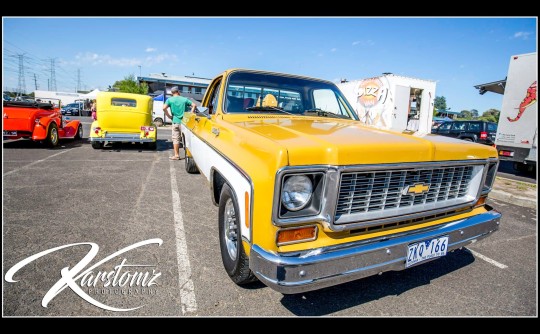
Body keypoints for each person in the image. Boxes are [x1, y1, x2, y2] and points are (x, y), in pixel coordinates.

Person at [163, 86, 196, 160]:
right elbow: (194, 105)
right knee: (187, 139)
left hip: (175, 122)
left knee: (176, 139)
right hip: (185, 122)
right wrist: (191, 114)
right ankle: (190, 155)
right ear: (178, 92)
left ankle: (176, 155)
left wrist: (169, 116)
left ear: (172, 93)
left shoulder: (170, 100)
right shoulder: (184, 99)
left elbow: (164, 108)